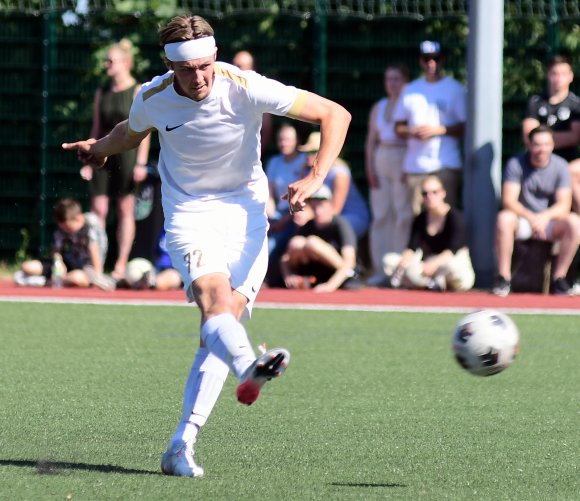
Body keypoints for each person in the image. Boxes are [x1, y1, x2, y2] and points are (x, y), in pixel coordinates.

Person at [62, 14, 351, 478]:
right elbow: (129, 132)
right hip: (190, 215)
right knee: (214, 303)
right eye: (186, 69)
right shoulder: (153, 97)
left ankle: (181, 445)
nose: (198, 77)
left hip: (248, 217)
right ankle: (249, 365)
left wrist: (316, 178)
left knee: (221, 323)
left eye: (204, 66)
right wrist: (98, 148)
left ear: (214, 56)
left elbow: (335, 114)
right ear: (168, 65)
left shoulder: (245, 85)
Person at [80, 39, 151, 280]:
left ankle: (120, 265)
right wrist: (90, 157)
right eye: (106, 60)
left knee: (124, 209)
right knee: (98, 208)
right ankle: (97, 265)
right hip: (103, 153)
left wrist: (140, 162)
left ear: (126, 63)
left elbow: (145, 129)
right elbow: (96, 127)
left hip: (128, 155)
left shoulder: (137, 90)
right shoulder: (102, 92)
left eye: (111, 60)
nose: (106, 64)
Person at [493, 126, 580, 296]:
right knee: (504, 219)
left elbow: (564, 205)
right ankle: (503, 278)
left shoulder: (560, 166)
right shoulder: (515, 164)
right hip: (524, 220)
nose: (542, 149)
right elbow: (509, 201)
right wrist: (531, 217)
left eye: (546, 144)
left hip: (549, 222)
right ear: (529, 144)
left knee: (575, 223)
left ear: (553, 145)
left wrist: (544, 217)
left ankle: (559, 279)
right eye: (537, 144)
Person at [393, 40, 466, 214]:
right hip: (416, 166)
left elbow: (465, 127)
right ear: (420, 61)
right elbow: (398, 127)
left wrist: (439, 130)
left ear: (442, 60)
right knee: (418, 218)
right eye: (426, 59)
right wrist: (412, 132)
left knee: (445, 214)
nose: (431, 63)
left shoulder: (455, 89)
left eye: (435, 59)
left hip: (445, 163)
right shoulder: (410, 90)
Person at [382, 175, 475, 292]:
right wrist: (404, 262)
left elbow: (453, 250)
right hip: (428, 263)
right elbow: (412, 247)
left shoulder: (455, 217)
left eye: (434, 192)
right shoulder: (421, 218)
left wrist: (433, 264)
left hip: (449, 261)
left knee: (452, 268)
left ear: (443, 193)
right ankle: (430, 283)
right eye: (425, 194)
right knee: (389, 261)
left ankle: (434, 282)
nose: (430, 197)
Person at [365, 64, 413, 286]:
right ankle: (380, 268)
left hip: (403, 155)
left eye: (396, 79)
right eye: (388, 79)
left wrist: (408, 166)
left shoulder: (410, 103)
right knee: (381, 215)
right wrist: (369, 168)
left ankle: (398, 269)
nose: (392, 84)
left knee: (402, 213)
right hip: (382, 155)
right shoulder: (379, 106)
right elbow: (371, 140)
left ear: (405, 81)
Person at [13, 198, 115, 291]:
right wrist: (59, 263)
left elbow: (94, 251)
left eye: (68, 228)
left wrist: (98, 277)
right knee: (28, 267)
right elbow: (56, 250)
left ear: (78, 218)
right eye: (63, 228)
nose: (66, 231)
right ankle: (47, 280)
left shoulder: (91, 224)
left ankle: (43, 282)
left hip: (88, 268)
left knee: (76, 278)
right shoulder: (63, 226)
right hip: (69, 263)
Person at [522, 55, 580, 212]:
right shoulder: (536, 103)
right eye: (554, 73)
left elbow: (574, 137)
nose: (558, 78)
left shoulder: (575, 106)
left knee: (569, 172)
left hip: (567, 161)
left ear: (570, 76)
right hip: (538, 163)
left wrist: (542, 139)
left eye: (562, 74)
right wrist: (556, 139)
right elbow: (529, 136)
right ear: (548, 75)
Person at [279, 185, 361, 292]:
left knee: (312, 242)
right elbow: (285, 259)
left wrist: (330, 285)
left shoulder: (341, 224)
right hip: (317, 276)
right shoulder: (308, 225)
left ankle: (348, 278)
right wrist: (289, 276)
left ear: (330, 204)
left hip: (342, 275)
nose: (318, 211)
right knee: (296, 243)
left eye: (321, 206)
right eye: (314, 207)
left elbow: (350, 261)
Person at [299, 131, 370, 240]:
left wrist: (310, 216)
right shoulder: (306, 171)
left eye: (313, 152)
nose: (308, 156)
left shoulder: (340, 173)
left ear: (324, 153)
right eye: (307, 152)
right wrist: (304, 214)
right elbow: (306, 203)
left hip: (349, 217)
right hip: (320, 216)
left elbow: (335, 210)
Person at [264, 123, 308, 286]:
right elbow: (269, 193)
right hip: (278, 216)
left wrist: (283, 221)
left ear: (297, 141)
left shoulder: (305, 161)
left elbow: (304, 201)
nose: (284, 143)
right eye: (281, 139)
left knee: (271, 247)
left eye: (288, 139)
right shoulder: (274, 162)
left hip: (295, 216)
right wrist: (271, 216)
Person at [232, 49, 274, 158]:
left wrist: (254, 156)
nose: (234, 69)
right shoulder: (225, 88)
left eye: (239, 66)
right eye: (233, 65)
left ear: (251, 68)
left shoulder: (259, 92)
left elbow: (266, 129)